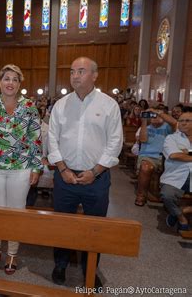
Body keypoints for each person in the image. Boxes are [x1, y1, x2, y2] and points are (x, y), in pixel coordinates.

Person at [48, 57, 123, 288]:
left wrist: (96, 170)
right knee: (62, 224)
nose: (75, 76)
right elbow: (52, 138)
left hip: (96, 178)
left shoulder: (108, 105)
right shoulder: (61, 105)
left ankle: (90, 268)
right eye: (72, 71)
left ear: (95, 75)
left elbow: (115, 141)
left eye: (81, 71)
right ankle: (60, 264)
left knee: (95, 227)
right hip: (65, 176)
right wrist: (62, 168)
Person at [0, 64, 42, 274]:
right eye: (6, 78)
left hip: (21, 168)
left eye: (14, 79)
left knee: (16, 212)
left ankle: (12, 254)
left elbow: (35, 139)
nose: (10, 83)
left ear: (20, 84)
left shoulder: (30, 107)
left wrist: (36, 168)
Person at [134, 108, 176, 206]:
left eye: (157, 115)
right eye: (152, 115)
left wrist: (158, 112)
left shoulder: (167, 127)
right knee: (145, 167)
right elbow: (143, 140)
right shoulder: (146, 127)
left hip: (166, 157)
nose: (154, 117)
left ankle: (168, 197)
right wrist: (144, 121)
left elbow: (174, 123)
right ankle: (141, 195)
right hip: (148, 156)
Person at [161, 112, 192, 232]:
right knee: (167, 195)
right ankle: (181, 217)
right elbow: (174, 155)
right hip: (176, 175)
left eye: (187, 120)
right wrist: (182, 154)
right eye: (181, 120)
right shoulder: (171, 138)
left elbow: (181, 155)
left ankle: (182, 210)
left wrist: (185, 153)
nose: (183, 123)